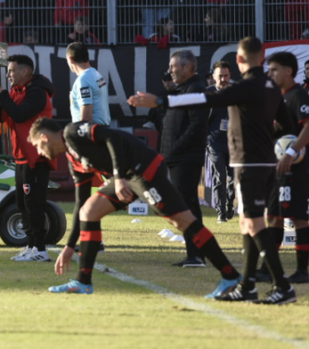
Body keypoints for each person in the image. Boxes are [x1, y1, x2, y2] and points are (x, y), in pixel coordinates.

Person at [129, 36, 297, 305]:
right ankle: (248, 285)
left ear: (239, 60)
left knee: (253, 223)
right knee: (246, 223)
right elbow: (288, 127)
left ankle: (283, 285)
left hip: (249, 163)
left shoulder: (247, 86)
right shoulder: (271, 87)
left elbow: (205, 98)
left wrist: (160, 102)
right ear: (262, 58)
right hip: (263, 162)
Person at [30, 118, 241, 297]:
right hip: (126, 176)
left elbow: (112, 137)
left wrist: (119, 177)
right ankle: (83, 282)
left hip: (143, 169)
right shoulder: (73, 159)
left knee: (182, 221)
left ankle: (230, 275)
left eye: (38, 146)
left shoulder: (72, 132)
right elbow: (80, 204)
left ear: (44, 137)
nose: (39, 152)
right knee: (89, 211)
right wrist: (69, 246)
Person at [0, 54, 56, 262]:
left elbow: (21, 114)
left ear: (25, 72)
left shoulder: (38, 93)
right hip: (22, 155)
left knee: (34, 204)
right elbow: (7, 116)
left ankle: (41, 250)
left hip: (36, 156)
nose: (8, 74)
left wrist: (1, 94)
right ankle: (31, 246)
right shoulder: (17, 91)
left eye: (12, 70)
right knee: (23, 203)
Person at [266, 51, 309, 285]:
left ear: (288, 71)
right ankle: (268, 268)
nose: (270, 73)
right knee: (274, 217)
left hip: (295, 169)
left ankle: (302, 271)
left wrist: (290, 151)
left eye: (274, 69)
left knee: (298, 218)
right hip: (278, 168)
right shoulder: (278, 96)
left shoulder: (298, 95)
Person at [58, 42, 111, 265]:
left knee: (88, 194)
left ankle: (89, 240)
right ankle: (93, 240)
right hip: (101, 135)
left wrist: (75, 137)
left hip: (91, 139)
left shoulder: (83, 80)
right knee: (92, 193)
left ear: (70, 60)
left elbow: (87, 114)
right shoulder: (96, 74)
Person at [160, 50, 210, 267]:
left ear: (187, 67)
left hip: (185, 157)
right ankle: (195, 253)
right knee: (185, 205)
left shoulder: (196, 89)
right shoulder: (183, 89)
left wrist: (175, 149)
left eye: (173, 66)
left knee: (187, 206)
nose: (170, 70)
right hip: (178, 157)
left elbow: (197, 126)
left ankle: (197, 254)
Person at [205, 60, 235, 222]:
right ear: (213, 77)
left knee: (233, 178)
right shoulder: (207, 94)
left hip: (234, 142)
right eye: (220, 76)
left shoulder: (237, 92)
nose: (223, 79)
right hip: (214, 141)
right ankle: (220, 212)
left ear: (230, 76)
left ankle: (230, 202)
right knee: (219, 175)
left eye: (226, 76)